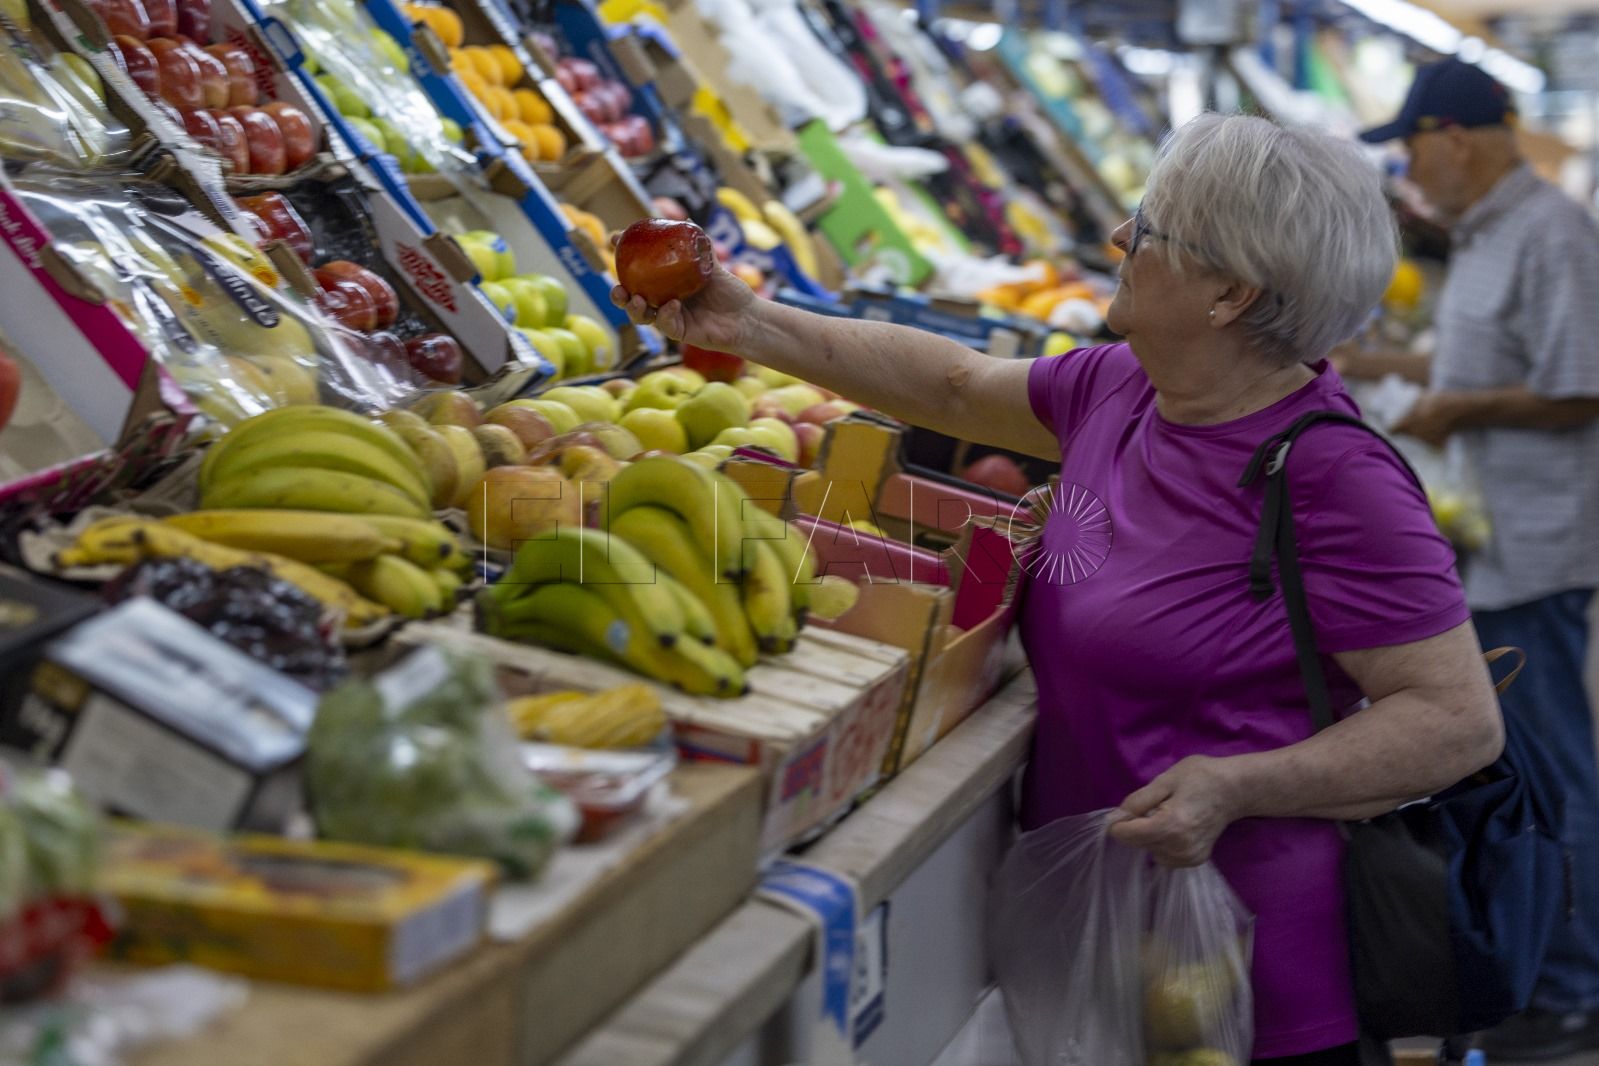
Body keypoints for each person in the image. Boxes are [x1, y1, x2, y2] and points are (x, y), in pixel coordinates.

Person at [613, 113, 1504, 1065]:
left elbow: (1455, 720)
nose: (1120, 242)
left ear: (1230, 293)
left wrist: (1240, 786)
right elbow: (952, 386)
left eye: (1151, 232)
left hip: (1240, 975)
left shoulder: (1332, 477)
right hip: (1096, 924)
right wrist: (746, 321)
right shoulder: (1125, 389)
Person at [1349, 59, 1599, 1061]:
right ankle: (1540, 959)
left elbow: (1582, 386)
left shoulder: (1552, 235)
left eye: (1412, 151)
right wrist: (1384, 366)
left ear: (1454, 137)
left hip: (1535, 546)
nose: (1411, 174)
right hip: (1490, 540)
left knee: (1551, 770)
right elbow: (1489, 358)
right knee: (1521, 759)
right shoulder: (1490, 236)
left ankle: (1575, 987)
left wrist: (1451, 410)